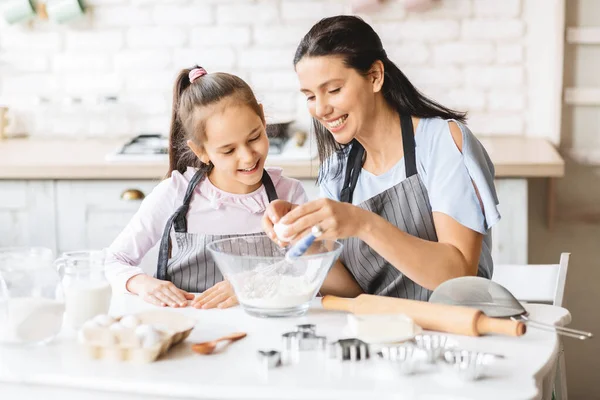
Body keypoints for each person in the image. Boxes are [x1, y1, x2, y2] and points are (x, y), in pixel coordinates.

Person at [263, 16, 501, 301]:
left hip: (455, 331)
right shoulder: (337, 171)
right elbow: (356, 292)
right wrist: (307, 245)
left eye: (334, 90)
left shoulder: (442, 142)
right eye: (310, 96)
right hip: (381, 331)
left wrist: (363, 223)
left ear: (375, 76)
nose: (321, 109)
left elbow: (458, 275)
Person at [105, 66, 308, 309]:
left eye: (254, 137)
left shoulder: (289, 195)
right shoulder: (174, 194)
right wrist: (141, 283)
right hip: (192, 331)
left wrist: (252, 283)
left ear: (263, 119)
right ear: (201, 151)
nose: (247, 156)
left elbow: (310, 270)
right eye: (228, 150)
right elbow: (114, 259)